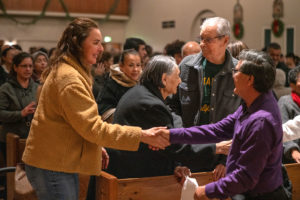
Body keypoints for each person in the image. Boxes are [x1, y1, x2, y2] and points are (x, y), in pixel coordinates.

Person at [22, 18, 169, 200]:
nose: (101, 49)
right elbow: (94, 128)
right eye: (96, 43)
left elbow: (75, 124)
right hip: (53, 165)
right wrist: (143, 135)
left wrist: (95, 147)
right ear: (77, 43)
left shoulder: (71, 70)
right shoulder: (70, 79)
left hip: (57, 161)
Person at [160, 49, 288, 200]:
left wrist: (207, 190)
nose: (232, 75)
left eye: (236, 71)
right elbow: (216, 130)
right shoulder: (253, 102)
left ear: (250, 80)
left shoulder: (261, 121)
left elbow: (245, 177)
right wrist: (170, 135)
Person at [170, 17, 241, 175]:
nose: (202, 44)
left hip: (223, 158)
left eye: (208, 40)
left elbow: (244, 120)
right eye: (201, 39)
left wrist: (226, 160)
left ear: (225, 40)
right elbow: (172, 106)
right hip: (189, 152)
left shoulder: (238, 72)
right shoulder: (186, 66)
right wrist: (181, 138)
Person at [0, 52, 38, 160]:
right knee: (13, 173)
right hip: (11, 139)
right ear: (15, 68)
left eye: (30, 66)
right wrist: (21, 113)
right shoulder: (6, 88)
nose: (28, 69)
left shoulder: (37, 87)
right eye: (24, 66)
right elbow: (1, 114)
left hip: (33, 138)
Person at [96, 49, 142, 118]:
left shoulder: (142, 83)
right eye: (131, 65)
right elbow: (104, 112)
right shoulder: (111, 84)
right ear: (121, 66)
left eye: (138, 65)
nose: (135, 69)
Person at [278, 66, 300, 163]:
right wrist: (293, 150)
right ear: (292, 85)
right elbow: (284, 130)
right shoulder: (285, 102)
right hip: (292, 159)